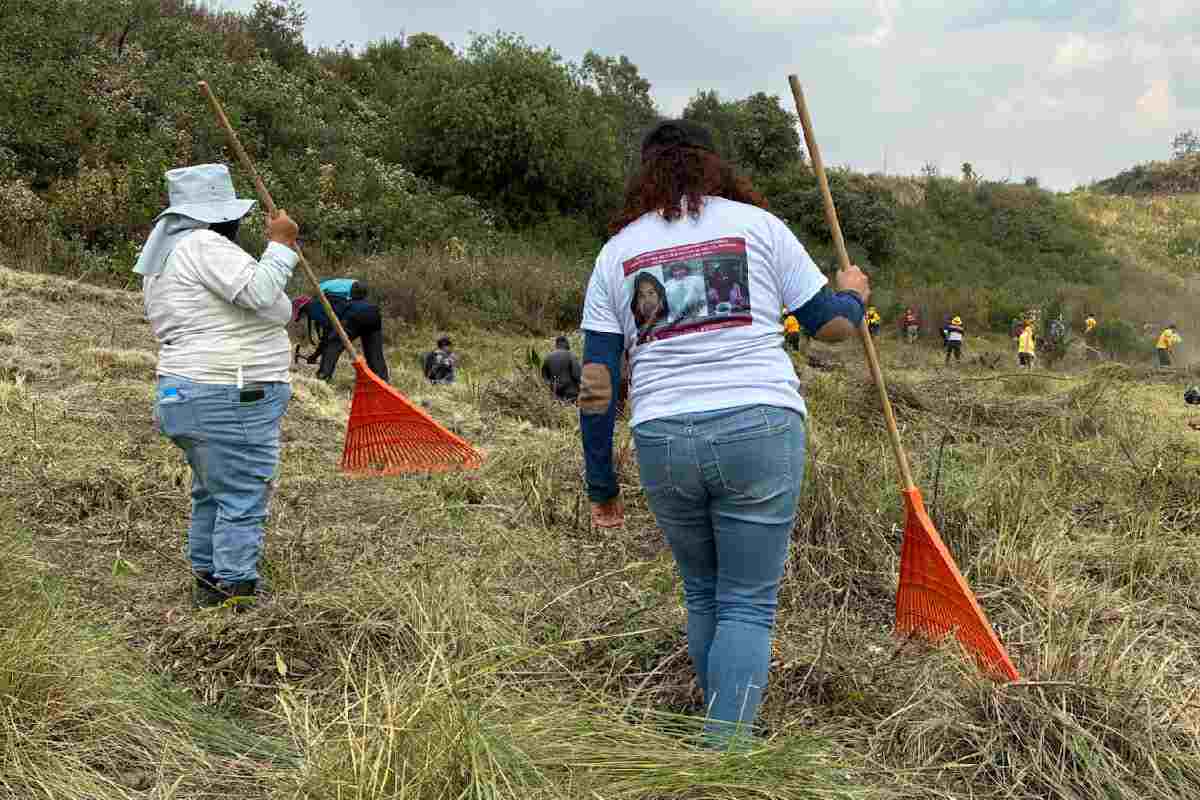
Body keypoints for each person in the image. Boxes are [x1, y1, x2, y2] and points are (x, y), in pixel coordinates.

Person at [577, 119, 869, 746]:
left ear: (645, 173)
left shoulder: (616, 253)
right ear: (715, 165)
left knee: (704, 594)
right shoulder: (759, 226)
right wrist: (853, 295)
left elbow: (597, 382)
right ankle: (725, 759)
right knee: (747, 602)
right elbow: (831, 327)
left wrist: (601, 482)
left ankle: (720, 732)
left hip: (662, 437)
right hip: (758, 425)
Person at [136, 164, 299, 608]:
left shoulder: (165, 256)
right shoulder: (203, 245)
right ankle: (235, 593)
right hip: (229, 392)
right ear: (223, 216)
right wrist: (280, 245)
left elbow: (261, 303)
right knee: (243, 493)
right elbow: (260, 293)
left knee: (213, 492)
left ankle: (208, 583)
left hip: (186, 392)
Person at [315, 281, 390, 383]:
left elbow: (330, 331)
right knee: (374, 352)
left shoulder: (336, 302)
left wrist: (327, 341)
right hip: (374, 314)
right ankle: (382, 380)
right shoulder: (367, 304)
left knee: (333, 345)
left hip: (354, 316)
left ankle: (323, 377)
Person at [542, 335, 582, 402]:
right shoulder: (571, 355)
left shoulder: (548, 357)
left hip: (555, 393)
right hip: (570, 394)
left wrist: (552, 385)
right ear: (567, 344)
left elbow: (544, 376)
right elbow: (577, 375)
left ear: (556, 345)